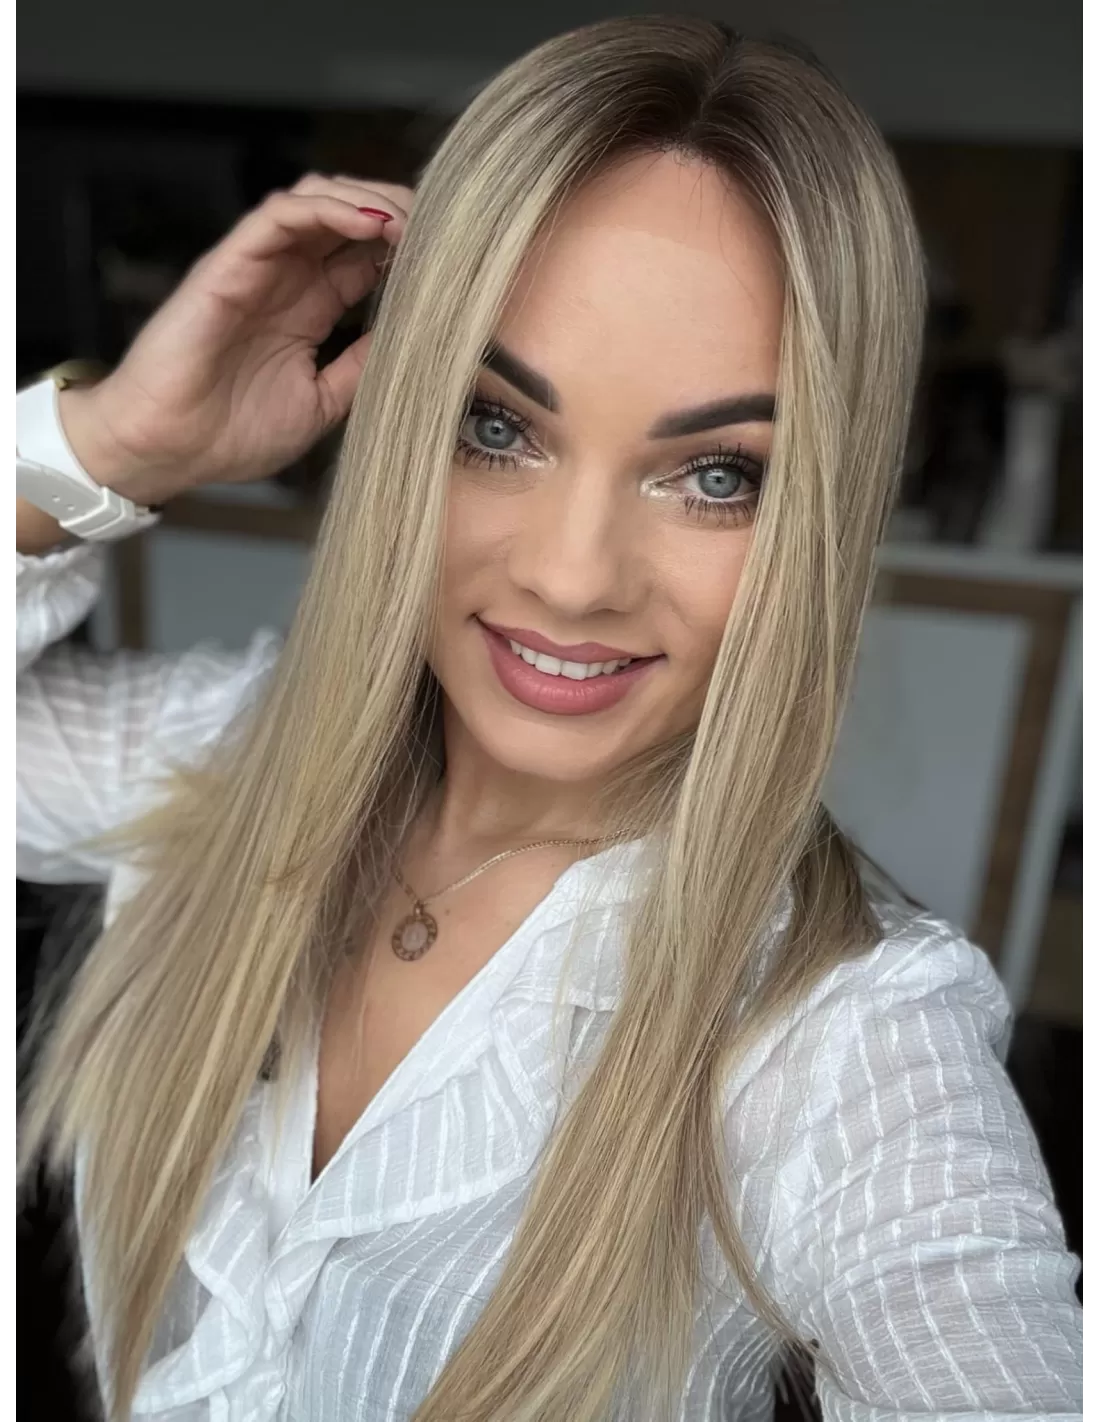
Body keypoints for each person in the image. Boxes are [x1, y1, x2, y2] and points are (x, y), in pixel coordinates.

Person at [16, 17, 1083, 1422]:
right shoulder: (213, 755)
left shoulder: (851, 1040)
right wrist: (105, 447)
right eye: (497, 424)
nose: (574, 578)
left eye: (719, 475)